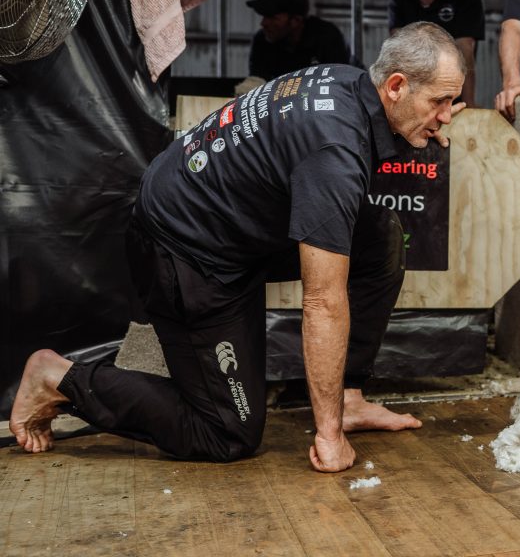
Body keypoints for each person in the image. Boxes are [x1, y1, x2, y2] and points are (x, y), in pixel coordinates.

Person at [10, 23, 467, 472]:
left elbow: (339, 162)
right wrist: (329, 438)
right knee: (228, 432)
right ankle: (59, 378)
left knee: (380, 237)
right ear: (396, 86)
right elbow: (322, 302)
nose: (448, 114)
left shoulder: (348, 83)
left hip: (227, 225)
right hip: (184, 251)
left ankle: (347, 398)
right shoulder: (333, 151)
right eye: (440, 102)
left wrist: (421, 131)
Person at [389, 0, 484, 107]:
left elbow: (465, 50)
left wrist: (468, 106)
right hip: (415, 101)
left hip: (453, 99)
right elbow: (398, 50)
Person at [247, 0, 350, 80]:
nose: (263, 23)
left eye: (273, 18)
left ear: (295, 20)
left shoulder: (327, 37)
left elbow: (339, 82)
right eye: (264, 17)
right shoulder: (261, 41)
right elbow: (258, 82)